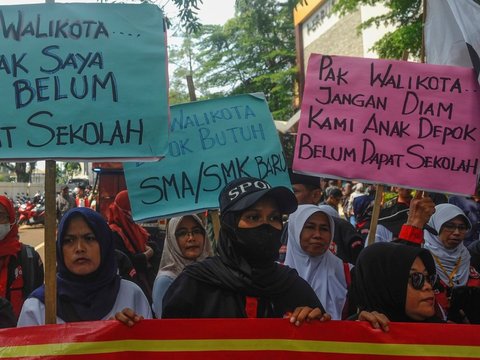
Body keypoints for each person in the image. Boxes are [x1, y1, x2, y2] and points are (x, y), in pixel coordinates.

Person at [162, 177, 330, 325]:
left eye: (274, 218)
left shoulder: (293, 287)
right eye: (253, 217)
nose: (266, 225)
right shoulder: (194, 285)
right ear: (229, 224)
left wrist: (314, 324)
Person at [17, 207, 152, 326]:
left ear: (104, 244)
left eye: (89, 238)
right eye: (69, 240)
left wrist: (130, 333)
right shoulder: (38, 307)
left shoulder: (132, 295)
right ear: (59, 249)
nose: (79, 248)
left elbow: (149, 350)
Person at [353, 242, 443, 330]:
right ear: (383, 286)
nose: (428, 286)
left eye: (428, 278)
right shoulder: (348, 337)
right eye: (416, 278)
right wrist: (359, 332)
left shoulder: (447, 334)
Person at [285, 204, 350, 320]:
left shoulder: (347, 273)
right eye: (310, 227)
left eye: (324, 229)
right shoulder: (275, 277)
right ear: (295, 229)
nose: (318, 235)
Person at [423, 203, 480, 322]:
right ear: (435, 227)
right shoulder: (421, 259)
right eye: (449, 226)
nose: (457, 232)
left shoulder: (468, 258)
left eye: (462, 227)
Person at [152, 214, 213, 317]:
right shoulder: (167, 280)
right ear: (172, 239)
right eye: (182, 233)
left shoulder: (212, 270)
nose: (191, 238)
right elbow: (165, 326)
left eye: (197, 231)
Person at [108, 190, 160, 302]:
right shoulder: (114, 233)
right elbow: (127, 260)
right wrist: (147, 254)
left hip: (145, 279)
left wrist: (151, 248)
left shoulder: (134, 227)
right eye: (130, 208)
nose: (133, 212)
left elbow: (149, 243)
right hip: (131, 282)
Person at [0, 195, 44, 321]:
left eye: (0, 216)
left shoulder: (29, 258)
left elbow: (37, 303)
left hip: (20, 336)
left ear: (11, 219)